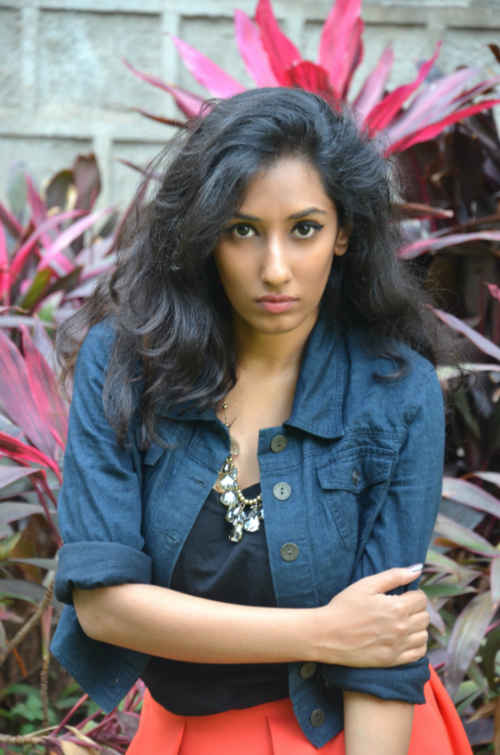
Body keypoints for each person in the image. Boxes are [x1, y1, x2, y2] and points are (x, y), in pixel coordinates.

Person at [51, 88, 472, 755]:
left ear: (344, 233)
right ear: (205, 234)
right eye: (242, 229)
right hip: (185, 735)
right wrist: (323, 631)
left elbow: (380, 653)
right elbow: (104, 606)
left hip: (350, 731)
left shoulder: (396, 391)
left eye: (304, 228)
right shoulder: (126, 362)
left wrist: (353, 640)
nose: (275, 269)